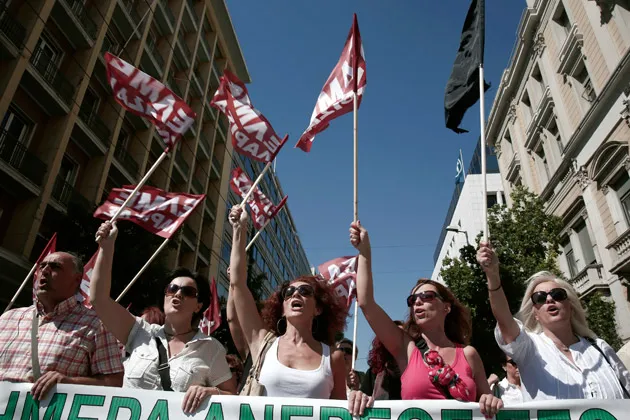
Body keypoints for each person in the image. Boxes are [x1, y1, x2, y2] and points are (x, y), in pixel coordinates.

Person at [349, 221, 503, 418]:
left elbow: (487, 404)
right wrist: (365, 252)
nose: (418, 303)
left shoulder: (468, 354)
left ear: (446, 307)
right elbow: (366, 303)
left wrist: (491, 400)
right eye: (413, 300)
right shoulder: (405, 348)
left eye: (427, 297)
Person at [90, 221, 237, 414]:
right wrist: (106, 247)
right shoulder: (139, 332)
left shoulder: (211, 348)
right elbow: (98, 299)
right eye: (172, 289)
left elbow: (232, 397)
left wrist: (211, 391)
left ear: (198, 306)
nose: (178, 294)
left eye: (188, 291)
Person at [477, 241, 630, 400]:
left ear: (570, 305)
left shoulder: (601, 348)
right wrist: (493, 275)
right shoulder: (528, 349)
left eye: (557, 295)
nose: (549, 299)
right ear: (535, 312)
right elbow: (504, 319)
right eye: (540, 298)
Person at [228, 206, 349, 402]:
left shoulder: (333, 358)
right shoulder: (261, 343)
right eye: (289, 293)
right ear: (282, 308)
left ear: (318, 308)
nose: (296, 295)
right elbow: (238, 283)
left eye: (305, 292)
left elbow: (339, 413)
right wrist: (239, 230)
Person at [0, 251, 124, 400]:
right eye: (42, 266)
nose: (44, 271)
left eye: (55, 267)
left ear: (77, 280)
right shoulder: (9, 318)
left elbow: (114, 383)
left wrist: (69, 383)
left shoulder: (96, 324)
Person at [360, 321, 403, 400]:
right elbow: (363, 398)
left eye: (402, 336)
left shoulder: (417, 371)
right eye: (393, 336)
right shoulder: (373, 373)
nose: (397, 341)